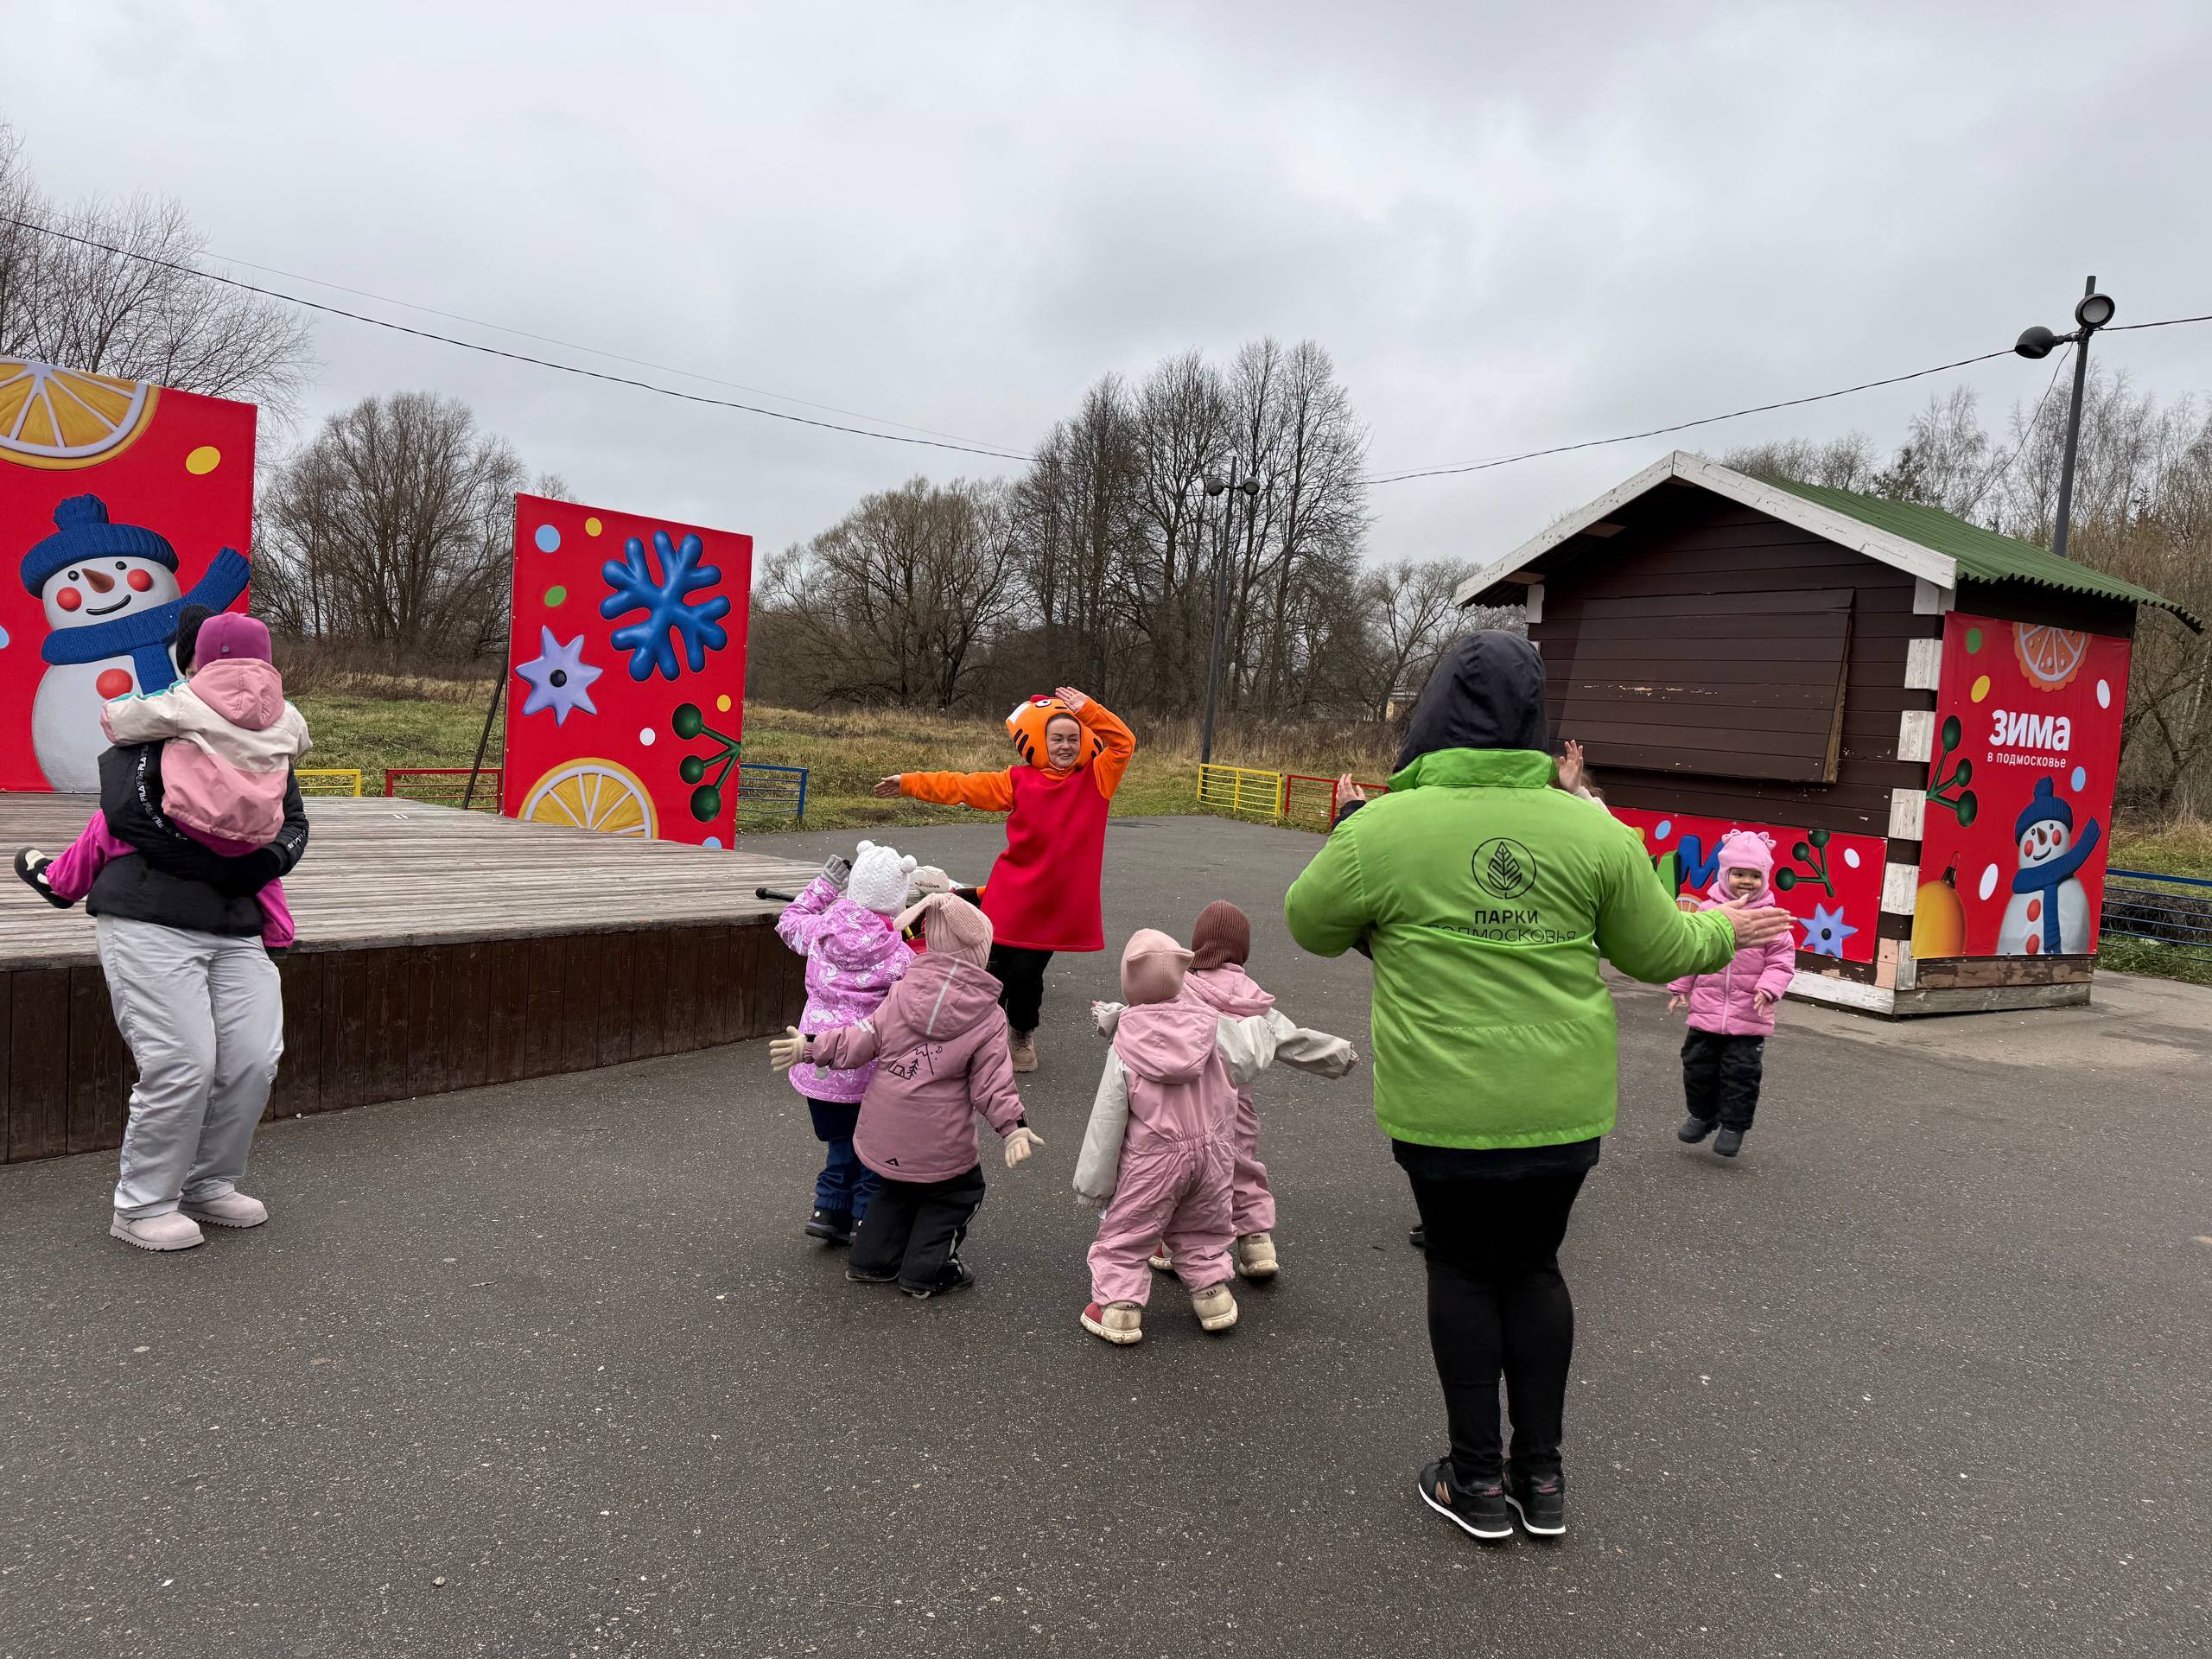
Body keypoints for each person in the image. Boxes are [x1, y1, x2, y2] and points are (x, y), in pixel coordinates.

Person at [1286, 631, 1790, 1543]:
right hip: (1560, 1108)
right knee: (1533, 1269)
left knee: (1461, 1269)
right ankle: (1542, 1480)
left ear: (1431, 712)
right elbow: (1662, 951)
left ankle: (1477, 1480)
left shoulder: (1382, 828)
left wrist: (1371, 868)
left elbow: (1311, 926)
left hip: (1439, 1106)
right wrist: (1733, 933)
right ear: (1534, 719)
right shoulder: (1590, 830)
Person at [66, 627, 311, 1252]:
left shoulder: (270, 741)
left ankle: (208, 1183)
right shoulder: (157, 726)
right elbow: (123, 813)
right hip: (148, 915)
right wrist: (217, 866)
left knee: (254, 1057)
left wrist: (266, 863)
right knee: (182, 1060)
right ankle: (142, 1203)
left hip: (234, 923)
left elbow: (295, 819)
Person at [769, 893, 1041, 1299]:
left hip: (882, 1130)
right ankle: (927, 1270)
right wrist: (1013, 1127)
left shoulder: (900, 992)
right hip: (939, 1140)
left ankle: (870, 1262)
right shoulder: (987, 1015)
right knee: (956, 1193)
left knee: (891, 1188)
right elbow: (992, 1084)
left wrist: (810, 1047)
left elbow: (861, 1039)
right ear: (981, 953)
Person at [874, 686, 1135, 1073]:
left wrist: (1089, 710)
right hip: (1010, 894)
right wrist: (911, 782)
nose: (1065, 746)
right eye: (1056, 738)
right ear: (1041, 742)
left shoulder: (1097, 779)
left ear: (1083, 742)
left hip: (1053, 906)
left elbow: (1124, 743)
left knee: (1025, 975)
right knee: (992, 972)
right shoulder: (1017, 780)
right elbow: (963, 786)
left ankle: (1020, 1033)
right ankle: (981, 1038)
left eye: (1072, 738)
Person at [16, 612, 310, 950]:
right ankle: (280, 934)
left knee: (108, 826)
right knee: (260, 870)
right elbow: (300, 744)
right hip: (255, 836)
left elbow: (118, 722)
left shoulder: (187, 701)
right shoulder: (287, 715)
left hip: (190, 824)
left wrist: (131, 704)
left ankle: (62, 883)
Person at [1135, 900, 1358, 1282]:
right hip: (1238, 1108)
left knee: (1187, 1174)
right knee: (1243, 1169)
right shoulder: (1254, 1000)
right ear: (1243, 949)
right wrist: (1341, 1056)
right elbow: (1293, 1040)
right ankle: (1256, 1242)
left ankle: (1178, 1246)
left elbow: (1148, 1024)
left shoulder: (1180, 987)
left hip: (1186, 1108)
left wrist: (1109, 1020)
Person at [772, 840, 917, 1245]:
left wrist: (823, 885)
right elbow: (924, 991)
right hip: (869, 1067)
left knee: (840, 1143)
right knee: (871, 1148)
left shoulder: (822, 929)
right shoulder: (900, 954)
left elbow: (789, 920)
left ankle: (828, 1209)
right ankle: (863, 1219)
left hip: (815, 1058)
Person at [1668, 830, 1798, 1158]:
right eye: (1738, 874)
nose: (1746, 881)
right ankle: (1702, 1115)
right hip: (1706, 1012)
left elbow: (1781, 961)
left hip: (1749, 1016)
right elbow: (1693, 950)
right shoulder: (1709, 913)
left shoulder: (1771, 919)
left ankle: (1733, 1126)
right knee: (1697, 1067)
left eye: (1754, 875)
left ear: (1765, 878)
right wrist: (1681, 986)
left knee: (1740, 1075)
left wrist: (1768, 989)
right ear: (1724, 874)